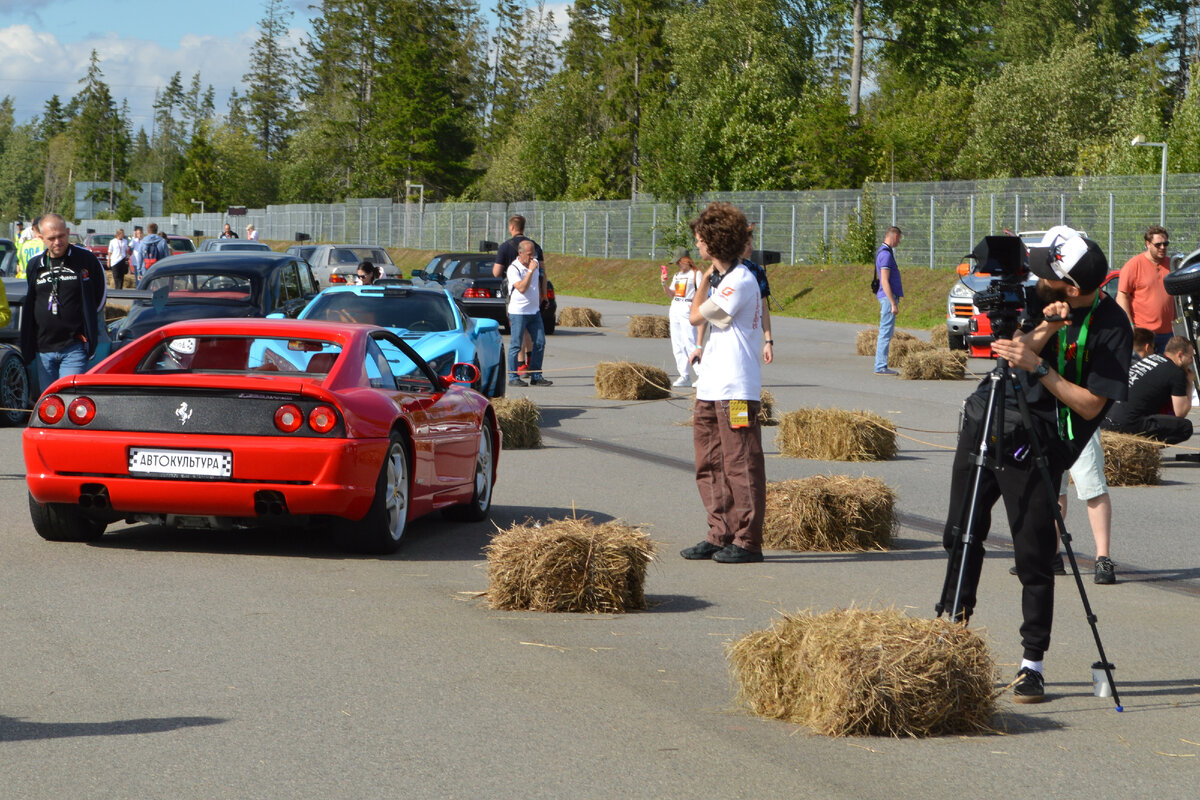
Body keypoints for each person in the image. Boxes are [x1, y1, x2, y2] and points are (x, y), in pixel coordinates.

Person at [939, 226, 1131, 704]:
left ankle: (1032, 665)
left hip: (1040, 442)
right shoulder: (1035, 297)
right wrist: (1044, 329)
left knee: (1034, 555)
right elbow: (1011, 347)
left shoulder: (1112, 326)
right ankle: (952, 636)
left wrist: (1040, 368)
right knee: (960, 533)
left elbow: (1090, 406)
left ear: (1072, 285)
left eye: (1047, 269)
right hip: (989, 421)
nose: (1035, 274)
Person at [679, 202, 766, 565]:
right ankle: (720, 533)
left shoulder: (741, 280)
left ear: (714, 243)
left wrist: (703, 280)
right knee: (710, 463)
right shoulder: (724, 279)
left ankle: (747, 539)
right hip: (711, 385)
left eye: (701, 240)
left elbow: (695, 314)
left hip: (737, 390)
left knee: (741, 463)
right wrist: (709, 277)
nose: (697, 246)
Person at [20, 213, 107, 390]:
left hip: (73, 346)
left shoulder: (86, 260)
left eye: (61, 236)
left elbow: (100, 296)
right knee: (49, 402)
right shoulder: (35, 264)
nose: (57, 242)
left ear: (68, 232)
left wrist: (86, 326)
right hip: (43, 347)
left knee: (67, 397)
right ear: (41, 238)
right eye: (51, 238)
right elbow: (32, 299)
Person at [1102, 335, 1195, 444]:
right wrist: (1189, 383)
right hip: (1126, 424)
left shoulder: (1150, 358)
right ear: (1180, 355)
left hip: (1106, 420)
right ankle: (1144, 451)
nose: (1192, 361)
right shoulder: (1175, 372)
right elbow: (1180, 412)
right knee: (1185, 427)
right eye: (1190, 356)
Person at [493, 215, 547, 374]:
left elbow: (496, 272)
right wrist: (544, 295)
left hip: (516, 294)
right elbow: (543, 272)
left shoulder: (505, 247)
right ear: (523, 227)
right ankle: (527, 362)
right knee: (528, 332)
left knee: (520, 331)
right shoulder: (534, 246)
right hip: (527, 294)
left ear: (511, 227)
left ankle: (522, 363)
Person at [1117, 226, 1175, 354]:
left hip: (1169, 334)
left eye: (1165, 244)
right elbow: (1122, 296)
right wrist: (1130, 325)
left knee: (1165, 372)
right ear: (1148, 244)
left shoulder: (1172, 265)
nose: (1162, 247)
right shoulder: (1134, 265)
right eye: (1158, 244)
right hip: (1143, 335)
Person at [505, 240, 551, 387]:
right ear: (520, 253)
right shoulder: (514, 269)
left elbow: (539, 281)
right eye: (529, 255)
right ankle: (513, 377)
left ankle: (536, 376)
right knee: (516, 345)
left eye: (534, 254)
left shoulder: (535, 264)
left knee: (539, 342)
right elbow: (522, 288)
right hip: (518, 312)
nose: (532, 258)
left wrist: (543, 297)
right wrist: (530, 271)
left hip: (534, 311)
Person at [661, 246, 701, 387]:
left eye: (679, 261)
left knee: (690, 341)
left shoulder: (696, 274)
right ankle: (684, 375)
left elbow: (702, 292)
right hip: (676, 307)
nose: (677, 264)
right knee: (677, 343)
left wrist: (695, 306)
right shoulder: (677, 275)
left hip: (688, 307)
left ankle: (700, 373)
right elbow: (672, 294)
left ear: (686, 260)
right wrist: (664, 283)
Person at [873, 226, 903, 375]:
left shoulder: (883, 252)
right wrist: (893, 302)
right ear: (894, 236)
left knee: (886, 331)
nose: (899, 242)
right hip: (887, 298)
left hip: (886, 297)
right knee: (885, 332)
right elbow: (884, 281)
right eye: (899, 238)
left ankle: (881, 364)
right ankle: (880, 366)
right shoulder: (886, 255)